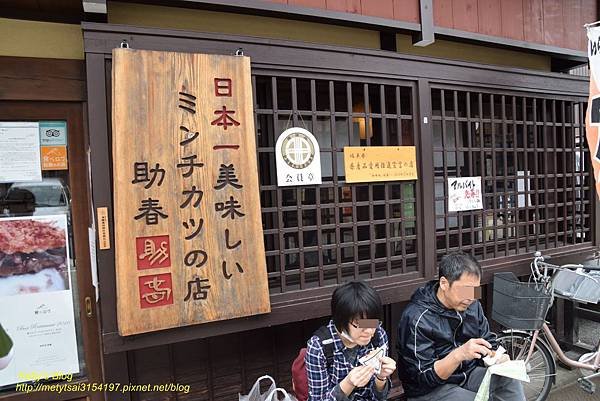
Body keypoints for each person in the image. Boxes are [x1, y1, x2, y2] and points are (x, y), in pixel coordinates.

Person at [396, 251, 525, 401]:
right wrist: (459, 354)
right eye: (465, 289)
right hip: (430, 390)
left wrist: (498, 356)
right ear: (444, 283)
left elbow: (487, 338)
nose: (470, 297)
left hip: (467, 373)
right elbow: (423, 376)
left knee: (508, 378)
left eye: (474, 289)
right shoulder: (417, 318)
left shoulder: (472, 304)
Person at [305, 281, 397, 401]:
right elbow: (318, 399)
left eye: (372, 322)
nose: (369, 331)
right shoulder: (319, 347)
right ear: (341, 321)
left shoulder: (378, 335)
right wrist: (348, 383)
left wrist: (381, 377)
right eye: (360, 324)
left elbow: (380, 397)